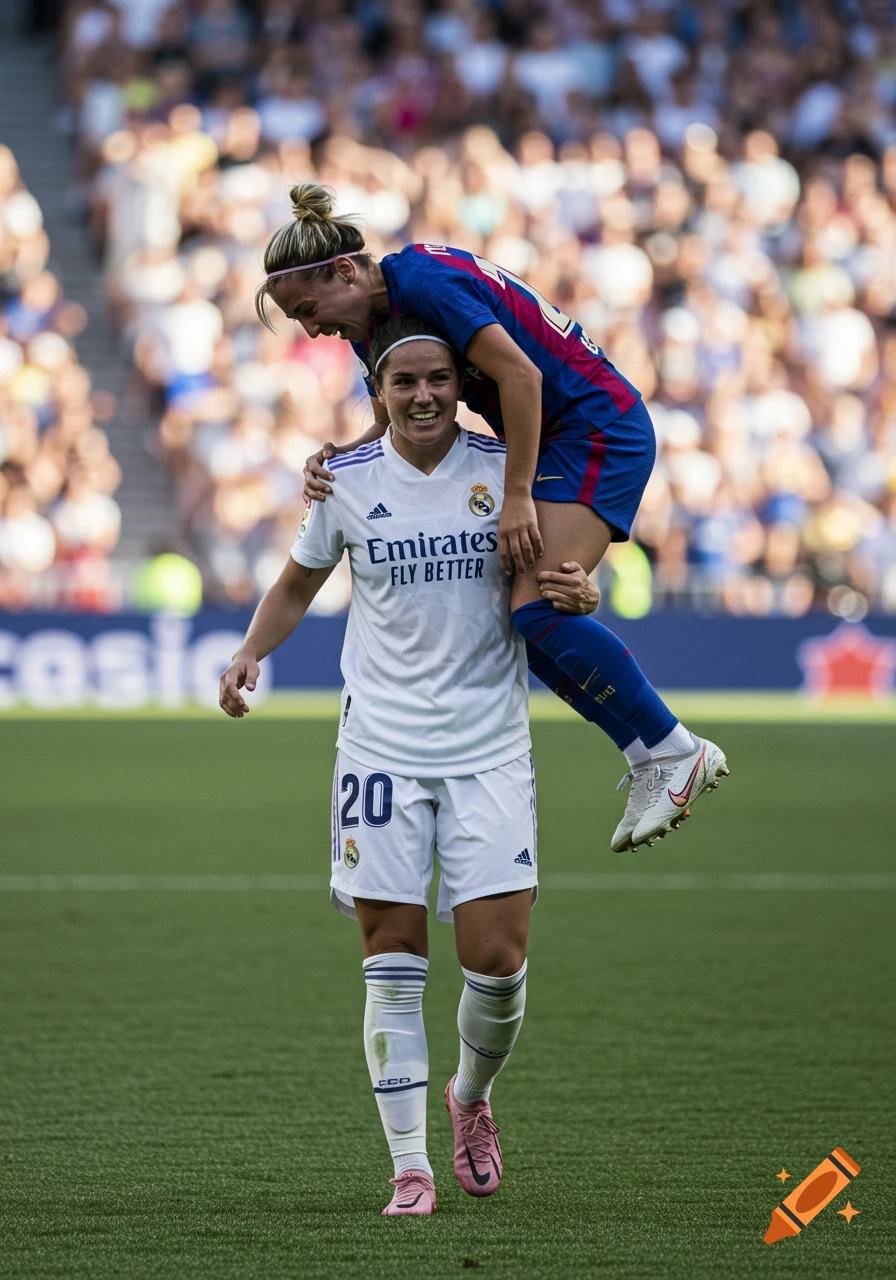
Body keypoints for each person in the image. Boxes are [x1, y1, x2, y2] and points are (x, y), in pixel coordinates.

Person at [219, 318, 599, 1217]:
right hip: (380, 750)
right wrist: (249, 652)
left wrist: (583, 591)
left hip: (489, 747)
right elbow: (299, 582)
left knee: (498, 963)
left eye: (438, 379)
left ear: (460, 386)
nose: (423, 394)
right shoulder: (344, 483)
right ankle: (409, 1167)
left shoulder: (505, 473)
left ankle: (470, 1096)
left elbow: (564, 579)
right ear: (378, 395)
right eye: (404, 383)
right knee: (391, 959)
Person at [254, 185, 729, 852]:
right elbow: (388, 421)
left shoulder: (424, 281)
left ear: (345, 270)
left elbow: (524, 379)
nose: (311, 329)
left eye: (309, 310)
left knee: (533, 610)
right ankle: (655, 755)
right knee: (532, 620)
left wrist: (516, 499)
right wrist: (336, 455)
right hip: (565, 434)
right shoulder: (380, 318)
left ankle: (673, 750)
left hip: (593, 428)